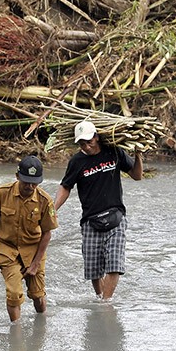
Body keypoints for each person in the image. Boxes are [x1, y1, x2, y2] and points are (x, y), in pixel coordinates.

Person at [54, 120, 143, 300]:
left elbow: (137, 175)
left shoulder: (114, 152)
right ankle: (101, 297)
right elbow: (66, 186)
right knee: (94, 270)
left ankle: (106, 303)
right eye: (82, 143)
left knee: (114, 264)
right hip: (90, 221)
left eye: (89, 141)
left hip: (115, 217)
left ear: (96, 136)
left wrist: (138, 155)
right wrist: (53, 208)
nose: (86, 146)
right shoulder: (77, 162)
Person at [0, 155, 58, 322]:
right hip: (7, 249)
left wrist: (35, 264)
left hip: (34, 251)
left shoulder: (45, 201)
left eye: (34, 182)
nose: (30, 186)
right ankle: (16, 335)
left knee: (37, 295)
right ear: (17, 176)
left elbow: (47, 234)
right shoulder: (2, 193)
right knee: (13, 294)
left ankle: (41, 324)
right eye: (26, 181)